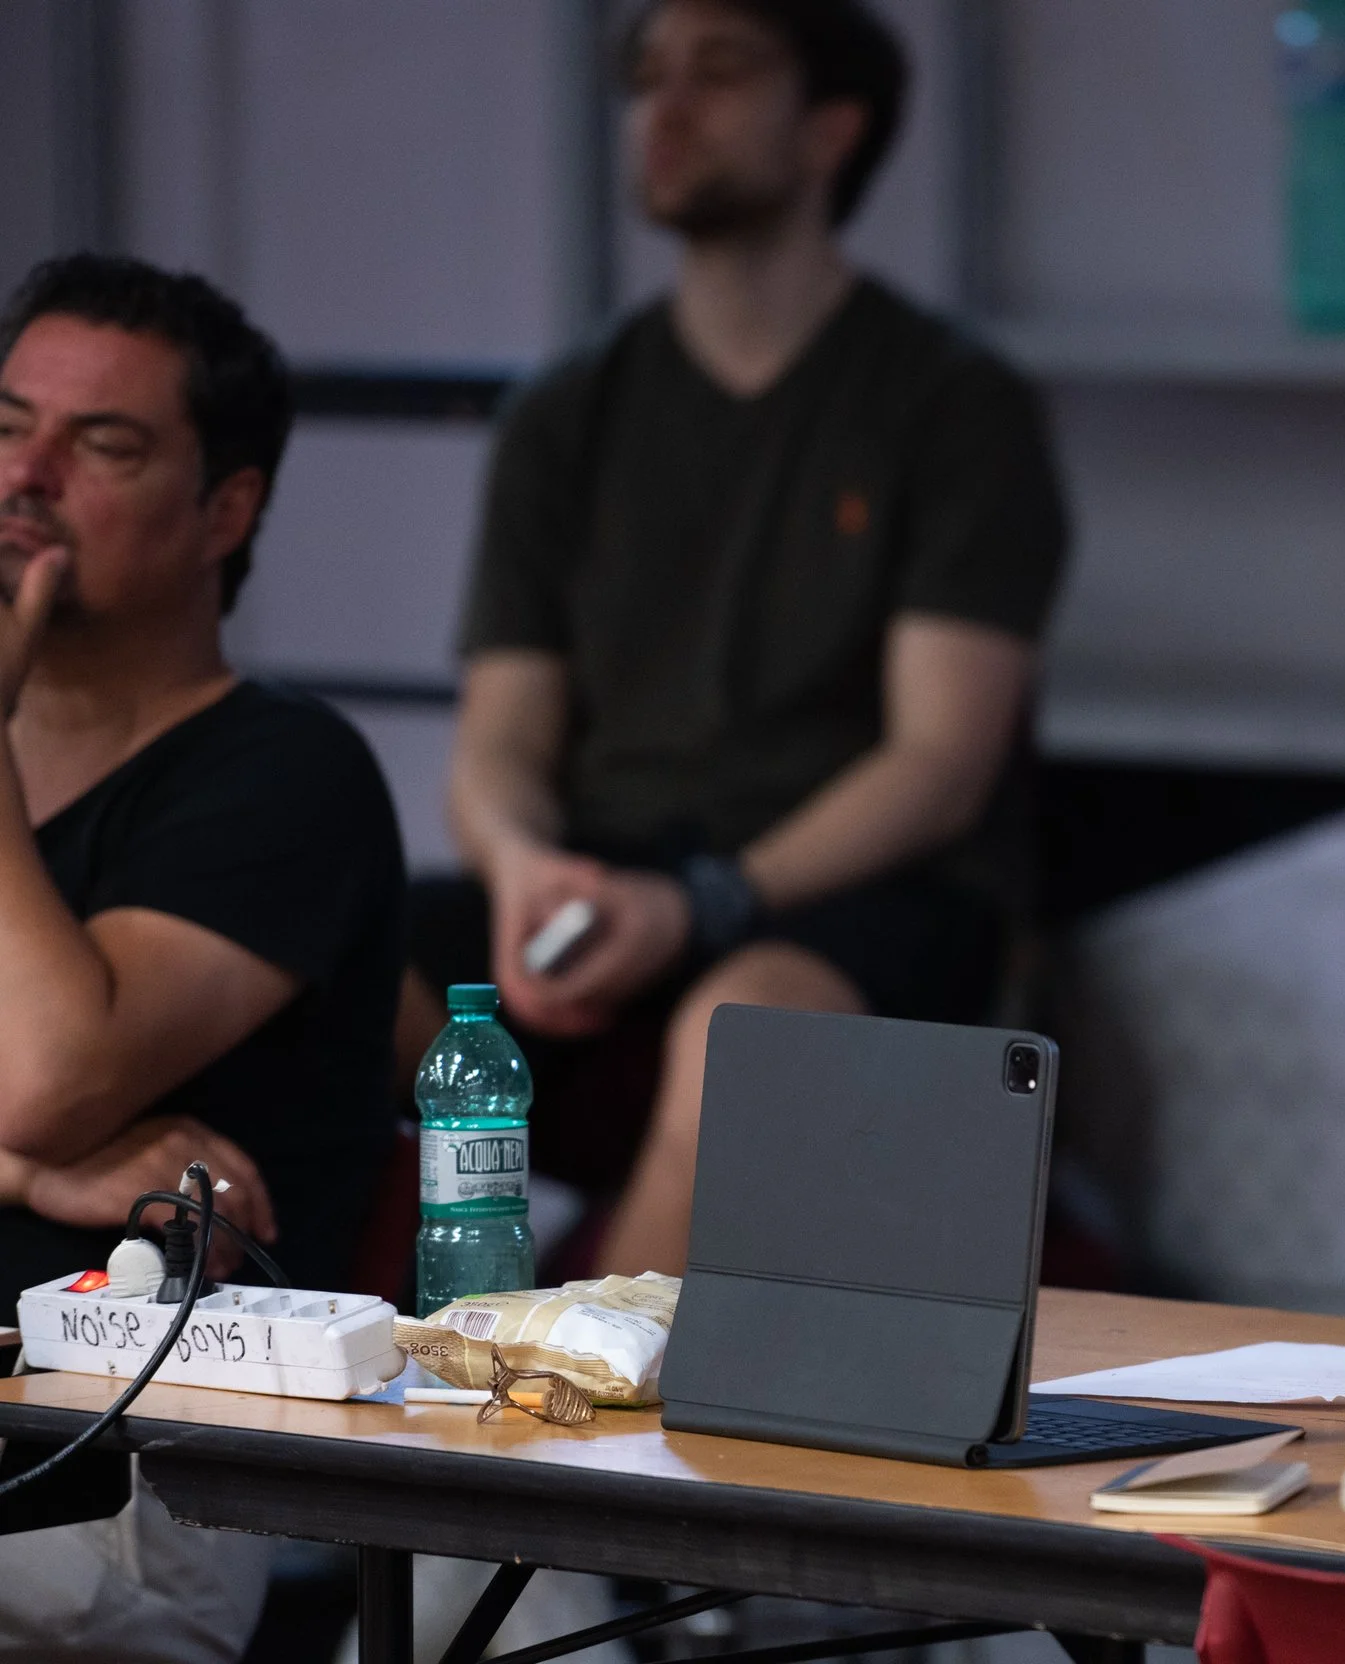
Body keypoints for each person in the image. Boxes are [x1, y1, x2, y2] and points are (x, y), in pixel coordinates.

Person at [411, 0, 1066, 1280]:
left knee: (742, 1024)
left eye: (718, 72)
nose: (666, 108)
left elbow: (938, 764)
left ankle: (583, 1443)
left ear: (832, 126)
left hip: (856, 900)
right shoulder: (569, 410)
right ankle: (261, 1405)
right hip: (604, 878)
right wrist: (523, 868)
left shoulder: (950, 403)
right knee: (316, 959)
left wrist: (707, 899)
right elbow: (498, 735)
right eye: (648, 76)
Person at [0, 255, 405, 1659]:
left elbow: (46, 1077)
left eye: (100, 444)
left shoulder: (285, 776)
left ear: (226, 508)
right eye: (6, 425)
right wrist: (24, 1169)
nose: (28, 473)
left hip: (107, 1479)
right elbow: (33, 1132)